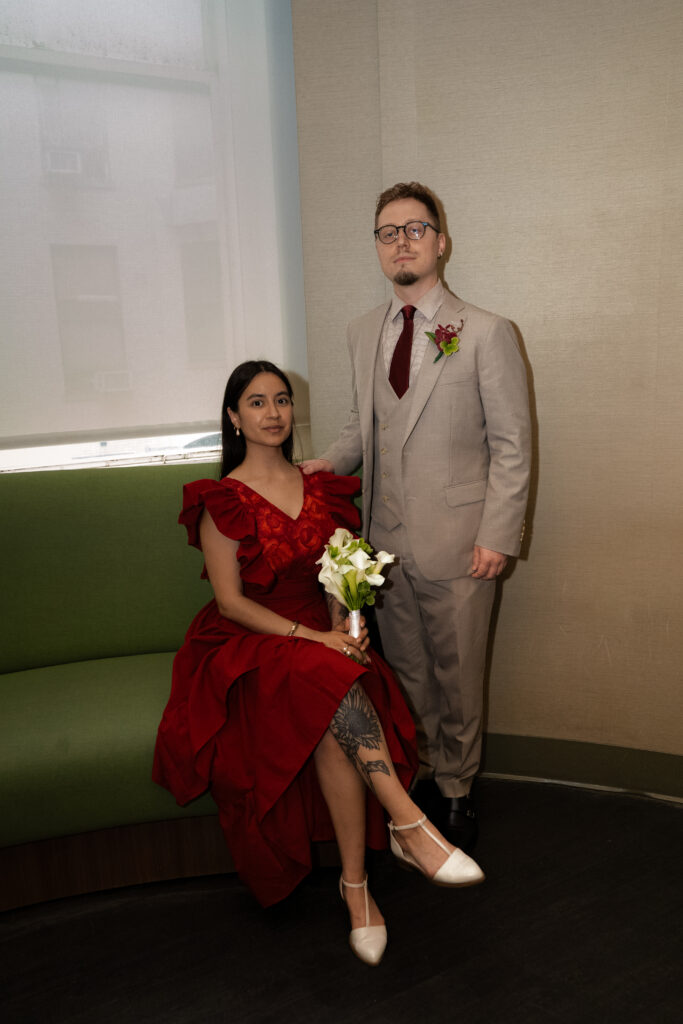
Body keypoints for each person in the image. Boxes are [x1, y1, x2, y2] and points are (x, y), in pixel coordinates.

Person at [153, 359, 485, 967]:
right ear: (233, 417)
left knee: (331, 700)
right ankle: (408, 826)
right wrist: (313, 636)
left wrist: (347, 625)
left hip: (321, 641)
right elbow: (229, 603)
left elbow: (341, 577)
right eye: (256, 403)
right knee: (325, 678)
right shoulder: (220, 500)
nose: (273, 413)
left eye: (281, 400)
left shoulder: (322, 486)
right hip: (250, 642)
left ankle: (357, 888)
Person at [303, 182, 531, 851]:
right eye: (386, 232)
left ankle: (458, 788)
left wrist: (497, 535)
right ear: (377, 247)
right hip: (386, 546)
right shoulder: (360, 332)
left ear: (440, 241)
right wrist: (319, 465)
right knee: (406, 672)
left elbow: (511, 445)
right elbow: (363, 429)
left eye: (413, 229)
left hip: (462, 544)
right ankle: (426, 774)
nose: (400, 242)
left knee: (458, 674)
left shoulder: (483, 332)